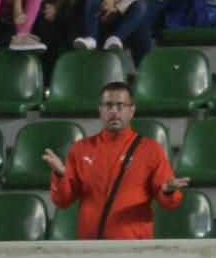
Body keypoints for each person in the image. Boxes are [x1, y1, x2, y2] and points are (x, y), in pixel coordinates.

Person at [43, 82, 188, 240]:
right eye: (108, 105)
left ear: (131, 110)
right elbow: (62, 201)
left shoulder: (150, 150)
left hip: (133, 248)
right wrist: (59, 175)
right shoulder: (81, 149)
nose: (114, 111)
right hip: (90, 248)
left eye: (121, 105)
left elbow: (170, 204)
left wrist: (168, 191)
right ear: (100, 110)